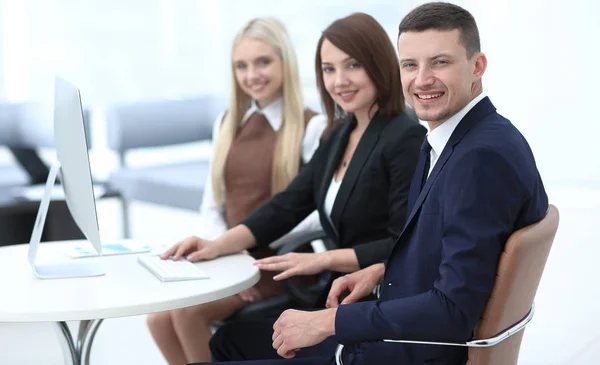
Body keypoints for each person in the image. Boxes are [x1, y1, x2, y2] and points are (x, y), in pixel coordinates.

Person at [203, 3, 549, 365]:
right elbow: (436, 255)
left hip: (406, 349)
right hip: (397, 325)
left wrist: (329, 322)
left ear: (477, 66)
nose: (422, 79)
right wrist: (380, 272)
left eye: (440, 62)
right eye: (411, 65)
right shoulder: (463, 140)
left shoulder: (479, 159)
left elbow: (452, 310)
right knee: (230, 341)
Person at [162, 10, 426, 363]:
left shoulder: (403, 136)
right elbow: (287, 205)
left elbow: (402, 243)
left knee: (228, 343)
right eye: (329, 69)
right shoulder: (340, 133)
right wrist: (216, 245)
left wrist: (320, 260)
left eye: (352, 66)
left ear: (379, 64)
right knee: (226, 340)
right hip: (337, 298)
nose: (339, 81)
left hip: (373, 312)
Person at [146, 17, 329, 365]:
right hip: (230, 257)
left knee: (187, 315)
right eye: (241, 66)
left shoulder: (311, 126)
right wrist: (227, 251)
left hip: (277, 265)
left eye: (263, 62)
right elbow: (212, 206)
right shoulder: (227, 123)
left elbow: (315, 211)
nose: (252, 75)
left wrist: (246, 248)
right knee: (158, 318)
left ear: (284, 62)